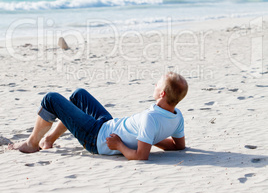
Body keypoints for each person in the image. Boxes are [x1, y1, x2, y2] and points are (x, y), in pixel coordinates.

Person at [9, 72, 188, 160]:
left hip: (97, 138)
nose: (155, 84)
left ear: (162, 94)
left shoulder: (151, 118)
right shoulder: (177, 116)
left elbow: (141, 156)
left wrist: (119, 145)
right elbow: (178, 146)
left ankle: (32, 144)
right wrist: (148, 137)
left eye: (158, 84)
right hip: (108, 124)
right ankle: (49, 140)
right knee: (79, 94)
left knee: (51, 99)